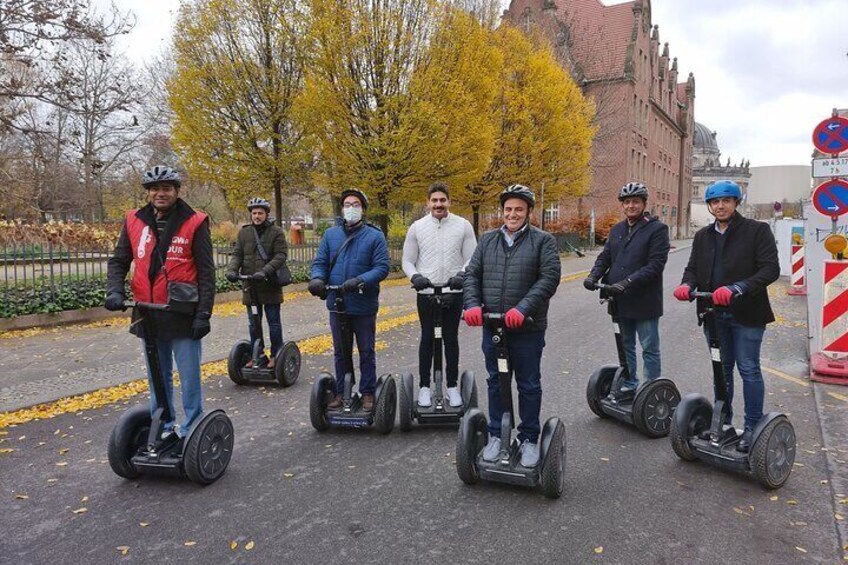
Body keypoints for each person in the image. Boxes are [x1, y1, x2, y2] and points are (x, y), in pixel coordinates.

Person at [105, 165, 216, 439]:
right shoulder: (134, 220)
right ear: (148, 192)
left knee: (189, 377)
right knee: (157, 377)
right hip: (147, 312)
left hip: (181, 312)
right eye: (155, 188)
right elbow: (119, 260)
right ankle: (165, 427)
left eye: (166, 188)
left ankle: (191, 428)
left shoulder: (195, 221)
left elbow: (206, 272)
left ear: (177, 191)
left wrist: (204, 314)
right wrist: (114, 291)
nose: (160, 193)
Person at [673, 180, 779, 453]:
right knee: (722, 370)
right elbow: (692, 268)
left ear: (736, 203)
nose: (720, 206)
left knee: (748, 369)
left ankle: (753, 426)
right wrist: (687, 285)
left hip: (747, 314)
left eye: (726, 201)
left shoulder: (757, 231)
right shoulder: (703, 236)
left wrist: (738, 288)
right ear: (709, 205)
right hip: (713, 314)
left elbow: (770, 270)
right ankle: (724, 422)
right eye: (715, 202)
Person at [463, 184, 561, 467]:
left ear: (529, 211)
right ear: (502, 211)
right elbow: (472, 275)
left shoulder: (543, 241)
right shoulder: (487, 240)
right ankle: (497, 434)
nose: (513, 214)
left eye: (519, 209)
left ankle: (529, 438)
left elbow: (549, 278)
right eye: (508, 209)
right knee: (495, 381)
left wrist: (522, 308)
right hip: (493, 327)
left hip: (527, 326)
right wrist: (471, 304)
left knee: (528, 383)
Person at [583, 182, 670, 399]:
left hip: (644, 300)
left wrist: (627, 282)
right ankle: (631, 383)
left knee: (649, 346)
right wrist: (593, 275)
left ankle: (651, 390)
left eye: (636, 201)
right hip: (618, 298)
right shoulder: (617, 229)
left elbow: (655, 265)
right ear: (622, 205)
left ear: (643, 203)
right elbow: (605, 257)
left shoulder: (657, 229)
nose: (631, 206)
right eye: (627, 202)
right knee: (626, 344)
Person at [308, 189, 389, 412]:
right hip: (337, 303)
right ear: (342, 209)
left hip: (363, 304)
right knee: (340, 350)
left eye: (355, 205)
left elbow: (382, 268)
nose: (351, 208)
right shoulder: (331, 235)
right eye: (347, 204)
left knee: (366, 350)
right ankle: (343, 391)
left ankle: (368, 392)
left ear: (363, 209)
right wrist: (317, 279)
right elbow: (320, 262)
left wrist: (360, 281)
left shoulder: (375, 236)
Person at [402, 182, 477, 408]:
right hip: (425, 292)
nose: (438, 204)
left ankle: (452, 386)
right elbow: (407, 260)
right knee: (427, 338)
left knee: (450, 339)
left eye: (442, 200)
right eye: (434, 200)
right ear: (428, 203)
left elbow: (472, 258)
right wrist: (415, 277)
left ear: (449, 202)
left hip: (452, 292)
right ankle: (425, 387)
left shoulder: (463, 226)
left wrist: (461, 276)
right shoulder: (417, 227)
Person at [225, 197, 289, 368]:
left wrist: (265, 271)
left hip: (269, 284)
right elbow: (237, 254)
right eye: (254, 213)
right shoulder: (244, 233)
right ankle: (258, 354)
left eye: (260, 213)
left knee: (273, 322)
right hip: (250, 286)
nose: (257, 216)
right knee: (254, 323)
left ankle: (276, 354)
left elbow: (281, 255)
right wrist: (232, 270)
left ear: (267, 214)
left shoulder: (276, 232)